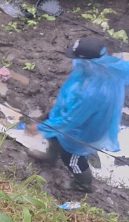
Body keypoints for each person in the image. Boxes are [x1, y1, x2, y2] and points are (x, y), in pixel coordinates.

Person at [27, 36, 129, 193]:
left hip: (87, 128)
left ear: (88, 61)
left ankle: (83, 184)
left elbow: (69, 122)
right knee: (54, 135)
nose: (74, 62)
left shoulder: (93, 93)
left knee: (71, 156)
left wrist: (40, 127)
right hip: (77, 114)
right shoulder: (109, 66)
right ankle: (51, 157)